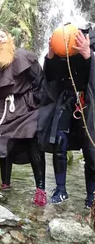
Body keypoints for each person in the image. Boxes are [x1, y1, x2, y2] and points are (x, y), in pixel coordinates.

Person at [0, 28, 47, 206]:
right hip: (3, 109)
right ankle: (5, 182)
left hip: (26, 107)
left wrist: (33, 102)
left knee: (33, 143)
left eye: (2, 37)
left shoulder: (24, 57)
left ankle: (40, 189)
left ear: (10, 39)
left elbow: (39, 81)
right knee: (0, 139)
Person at [38, 29, 95, 207]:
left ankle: (91, 196)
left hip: (88, 103)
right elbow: (50, 76)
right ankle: (61, 189)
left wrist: (88, 55)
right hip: (66, 101)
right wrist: (51, 56)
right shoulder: (62, 49)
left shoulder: (90, 46)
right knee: (59, 142)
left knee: (90, 148)